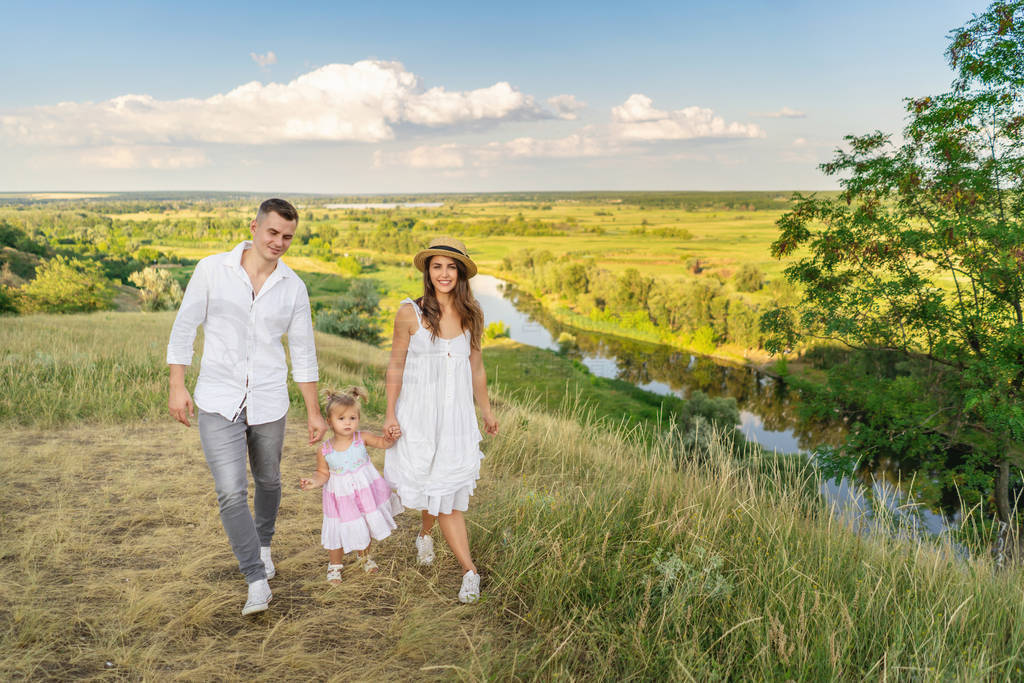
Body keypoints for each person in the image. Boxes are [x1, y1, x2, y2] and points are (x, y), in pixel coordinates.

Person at [166, 198, 327, 616]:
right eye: (273, 232)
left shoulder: (293, 286)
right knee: (231, 492)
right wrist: (177, 384)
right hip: (218, 398)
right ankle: (256, 577)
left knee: (269, 480)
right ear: (253, 226)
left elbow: (304, 353)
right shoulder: (211, 270)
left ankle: (265, 542)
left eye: (288, 236)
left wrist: (313, 411)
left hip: (270, 399)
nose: (279, 242)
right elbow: (185, 328)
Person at [383, 236, 499, 604]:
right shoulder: (410, 313)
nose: (444, 274)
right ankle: (424, 535)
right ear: (428, 272)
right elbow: (395, 366)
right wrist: (389, 413)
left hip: (455, 418)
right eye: (437, 266)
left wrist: (486, 410)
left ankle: (470, 572)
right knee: (430, 483)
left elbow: (476, 367)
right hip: (417, 416)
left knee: (447, 495)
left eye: (451, 267)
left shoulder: (472, 314)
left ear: (461, 273)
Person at [299, 386, 400, 582]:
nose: (348, 423)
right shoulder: (325, 450)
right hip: (340, 499)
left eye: (352, 418)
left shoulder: (362, 438)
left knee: (364, 523)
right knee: (337, 530)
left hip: (364, 494)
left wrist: (390, 437)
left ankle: (364, 557)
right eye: (341, 418)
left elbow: (383, 444)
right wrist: (313, 482)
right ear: (329, 422)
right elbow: (322, 473)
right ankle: (335, 565)